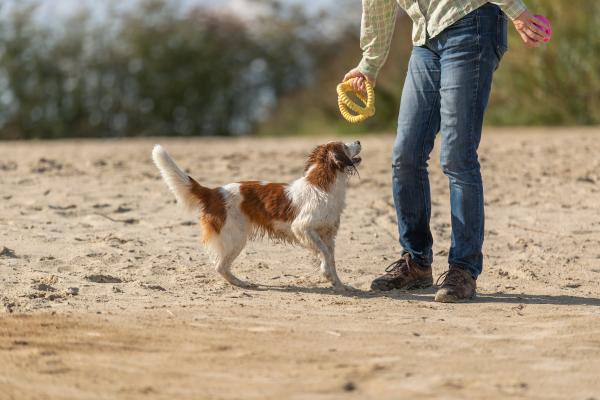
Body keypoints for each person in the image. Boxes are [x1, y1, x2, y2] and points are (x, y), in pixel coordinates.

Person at [343, 1, 550, 302]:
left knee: (457, 154)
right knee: (406, 155)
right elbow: (379, 3)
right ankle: (416, 262)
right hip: (425, 38)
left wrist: (517, 12)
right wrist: (369, 64)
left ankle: (464, 268)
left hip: (472, 22)